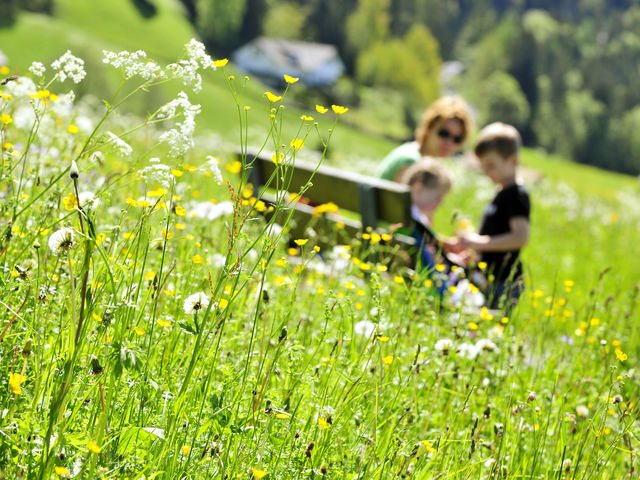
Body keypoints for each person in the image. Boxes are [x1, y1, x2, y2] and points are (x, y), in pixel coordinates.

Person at [457, 122, 530, 312]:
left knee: (493, 326)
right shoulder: (502, 192)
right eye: (483, 166)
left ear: (512, 161)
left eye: (491, 166)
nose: (486, 172)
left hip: (504, 282)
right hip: (490, 276)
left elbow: (521, 237)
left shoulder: (516, 195)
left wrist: (479, 242)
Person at [398, 159, 462, 293]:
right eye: (438, 197)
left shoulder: (396, 210)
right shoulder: (415, 221)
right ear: (418, 189)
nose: (440, 202)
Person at [377, 96, 473, 183]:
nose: (449, 143)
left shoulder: (413, 153)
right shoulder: (411, 161)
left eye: (457, 139)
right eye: (444, 133)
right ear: (429, 127)